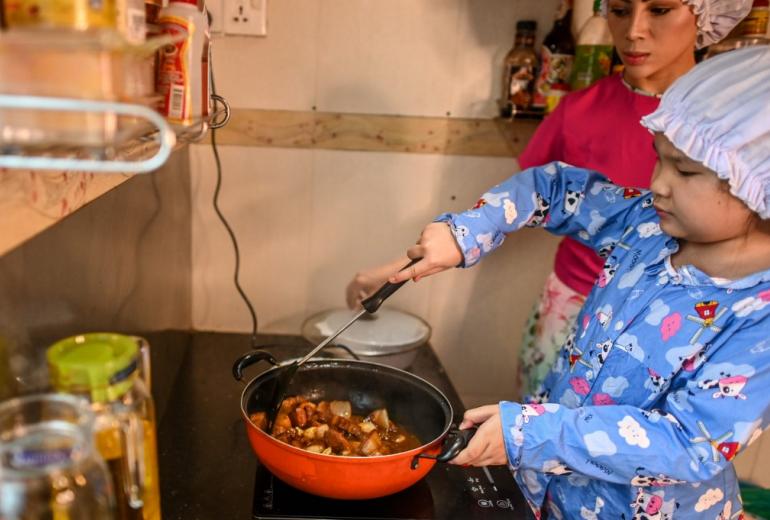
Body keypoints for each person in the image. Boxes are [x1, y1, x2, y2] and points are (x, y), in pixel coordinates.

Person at [386, 45, 770, 518]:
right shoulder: (646, 225)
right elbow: (557, 189)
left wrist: (529, 433)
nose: (658, 184)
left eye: (685, 170)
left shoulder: (761, 317)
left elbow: (688, 442)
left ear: (757, 183)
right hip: (550, 494)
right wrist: (467, 232)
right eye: (660, 159)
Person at [345, 0, 753, 399]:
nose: (633, 31)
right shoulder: (580, 110)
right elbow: (525, 201)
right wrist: (406, 267)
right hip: (571, 306)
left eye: (660, 9)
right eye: (620, 9)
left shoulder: (741, 127)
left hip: (670, 328)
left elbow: (685, 443)